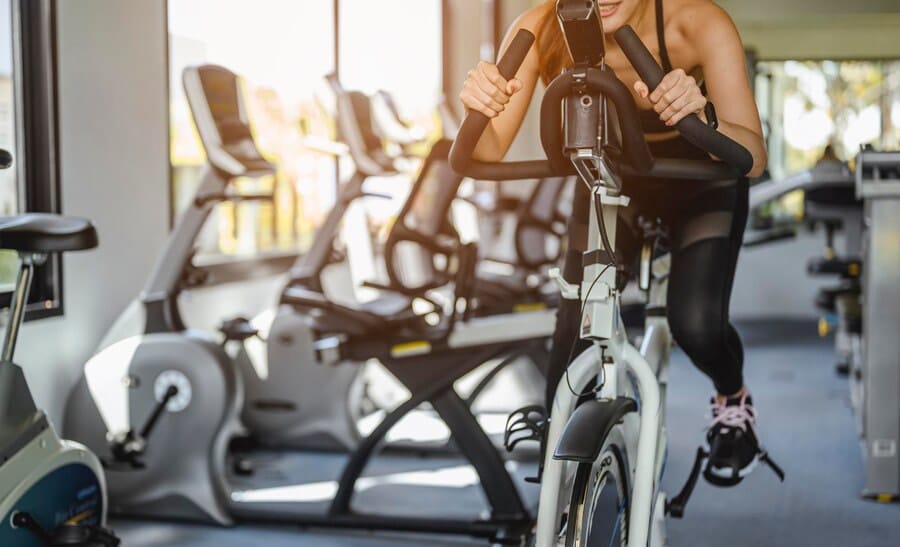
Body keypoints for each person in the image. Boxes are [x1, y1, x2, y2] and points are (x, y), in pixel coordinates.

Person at [460, 0, 772, 485]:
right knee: (574, 329)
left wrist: (702, 114)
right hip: (615, 182)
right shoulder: (538, 28)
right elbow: (487, 149)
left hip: (703, 182)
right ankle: (556, 492)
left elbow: (753, 157)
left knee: (696, 325)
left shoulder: (698, 23)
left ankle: (733, 401)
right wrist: (478, 109)